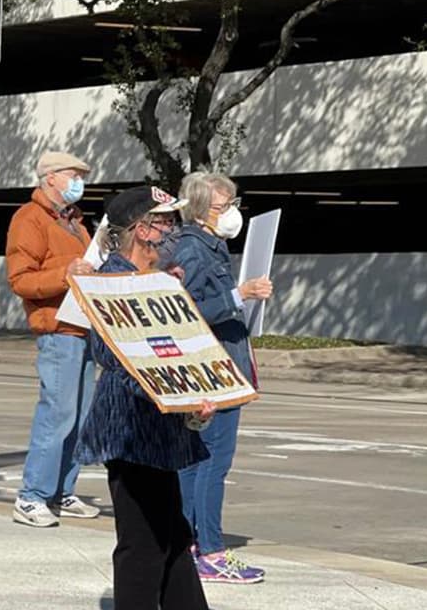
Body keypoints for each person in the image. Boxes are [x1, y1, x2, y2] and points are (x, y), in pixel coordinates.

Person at [76, 186, 215, 610]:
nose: (173, 231)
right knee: (143, 544)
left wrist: (195, 395)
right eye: (165, 222)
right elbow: (116, 357)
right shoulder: (111, 283)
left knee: (173, 536)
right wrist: (178, 397)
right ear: (142, 230)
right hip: (131, 432)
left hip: (160, 430)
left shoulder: (156, 279)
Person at [172, 171, 273, 584]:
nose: (231, 214)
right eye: (222, 206)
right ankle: (209, 548)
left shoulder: (208, 246)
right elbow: (188, 310)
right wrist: (239, 295)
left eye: (232, 204)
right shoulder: (194, 249)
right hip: (214, 369)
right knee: (212, 461)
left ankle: (188, 545)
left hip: (222, 363)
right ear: (198, 209)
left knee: (198, 462)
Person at [6, 150, 101, 527]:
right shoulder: (29, 219)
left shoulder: (75, 222)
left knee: (80, 417)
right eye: (73, 175)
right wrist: (67, 273)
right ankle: (31, 496)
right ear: (50, 178)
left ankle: (62, 490)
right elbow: (20, 280)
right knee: (57, 415)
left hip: (85, 326)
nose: (80, 181)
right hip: (58, 329)